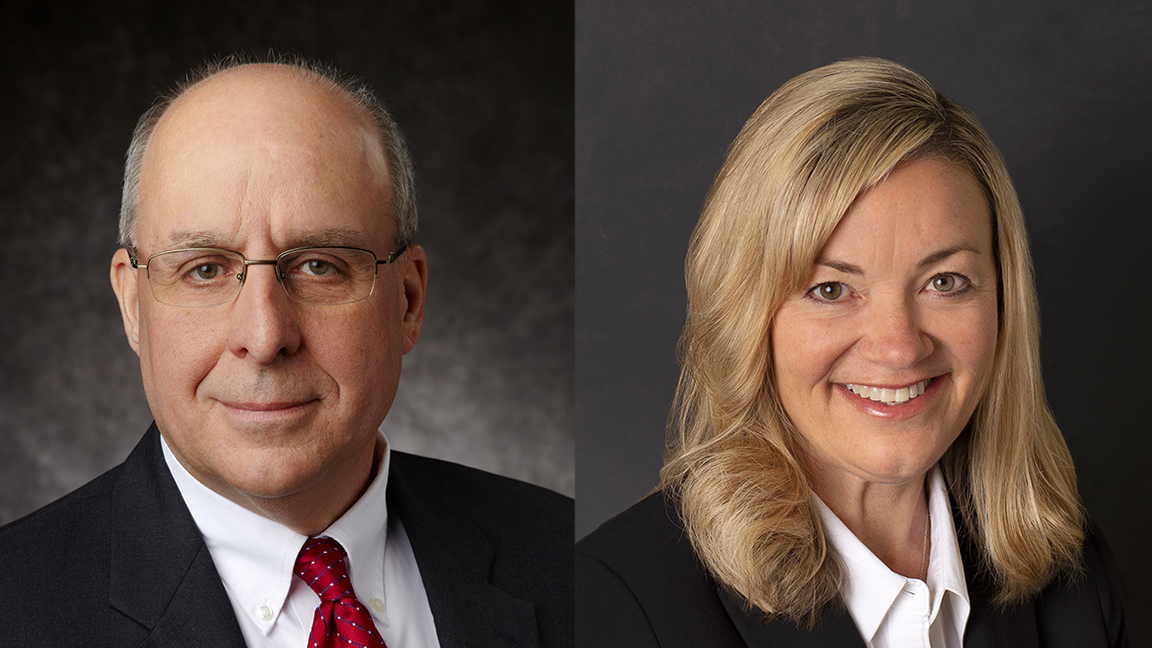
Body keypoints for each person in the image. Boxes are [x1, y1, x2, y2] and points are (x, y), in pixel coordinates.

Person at [0, 56, 573, 647]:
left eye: (320, 265)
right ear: (132, 305)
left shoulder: (563, 555)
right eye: (204, 270)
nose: (266, 335)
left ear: (408, 299)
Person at [576, 58, 1126, 647]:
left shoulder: (1074, 577)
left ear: (1003, 302)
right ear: (746, 317)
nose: (899, 347)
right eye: (830, 290)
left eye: (944, 281)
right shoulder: (613, 610)